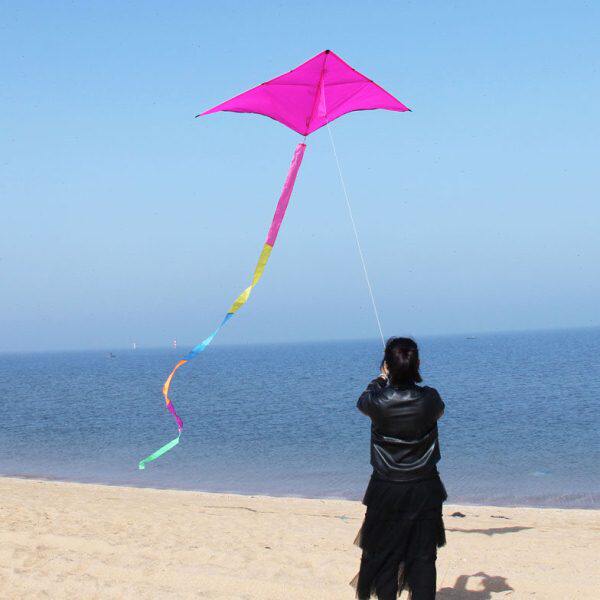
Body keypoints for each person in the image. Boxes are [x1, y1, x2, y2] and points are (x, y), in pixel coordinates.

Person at [351, 337, 447, 600]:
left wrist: (380, 378)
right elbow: (438, 410)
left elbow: (363, 400)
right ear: (417, 364)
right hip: (423, 489)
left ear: (387, 364)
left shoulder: (378, 400)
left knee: (385, 556)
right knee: (423, 558)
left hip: (387, 489)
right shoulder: (430, 398)